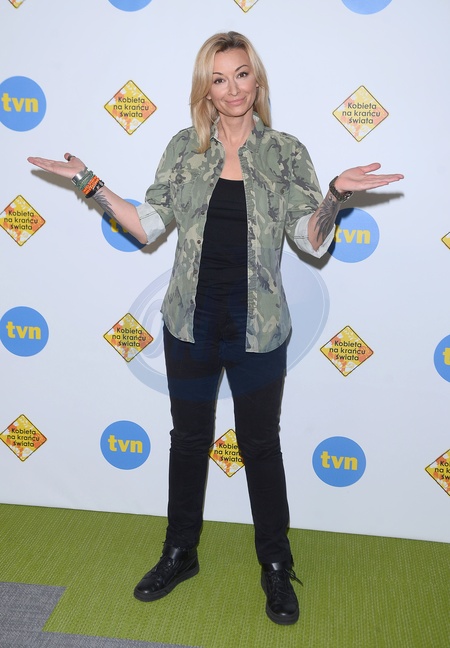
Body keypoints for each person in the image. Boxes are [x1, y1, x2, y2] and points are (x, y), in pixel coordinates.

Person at [28, 31, 403, 626]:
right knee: (187, 441)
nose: (232, 89)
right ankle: (180, 553)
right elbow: (147, 225)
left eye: (242, 74)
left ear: (257, 80)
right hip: (190, 324)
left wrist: (334, 195)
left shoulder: (285, 153)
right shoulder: (184, 149)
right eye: (219, 78)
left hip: (259, 329)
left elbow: (311, 241)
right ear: (206, 88)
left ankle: (275, 564)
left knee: (260, 446)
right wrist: (90, 183)